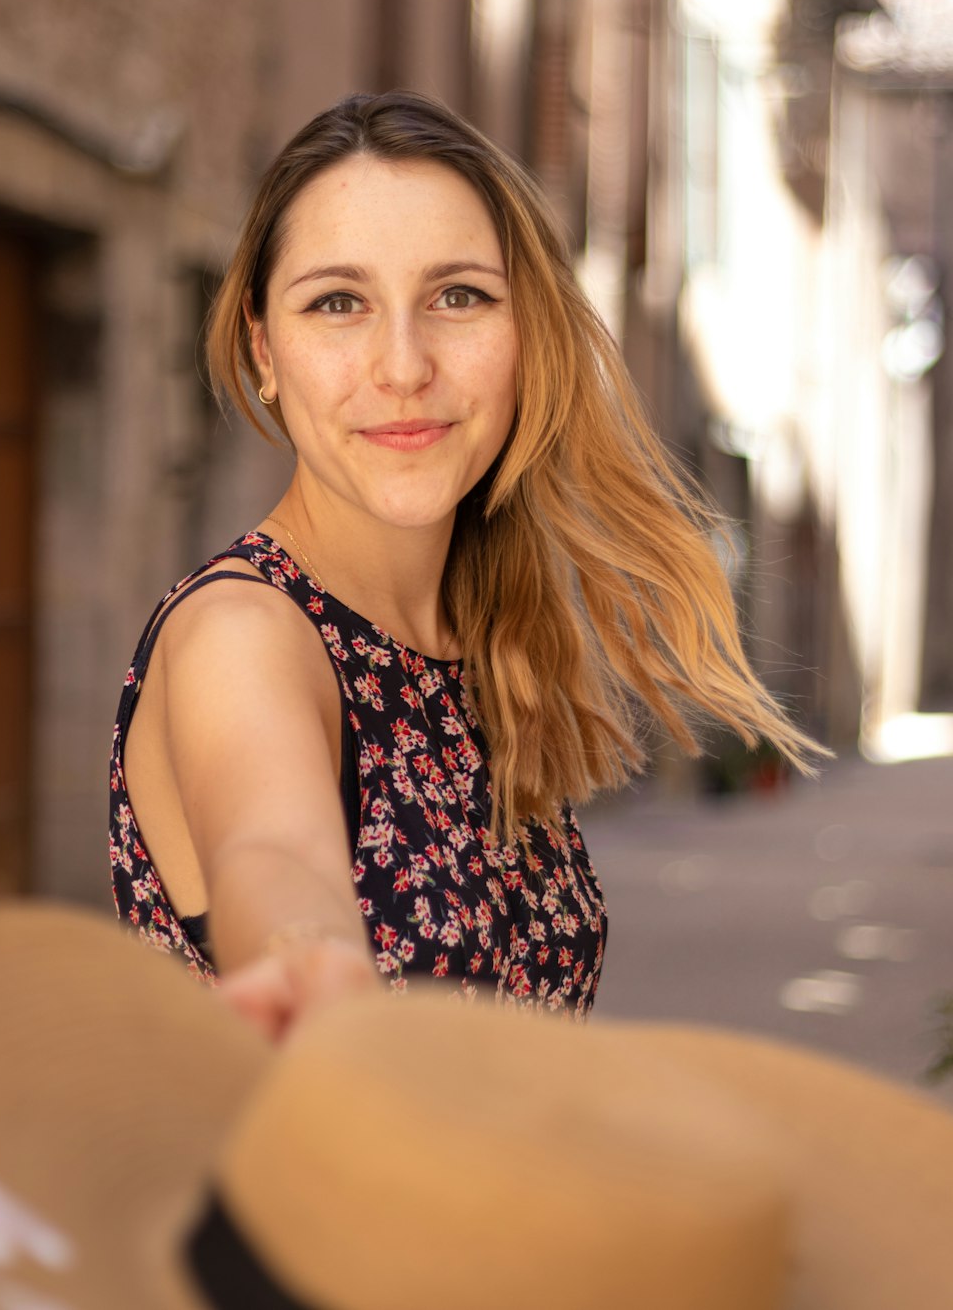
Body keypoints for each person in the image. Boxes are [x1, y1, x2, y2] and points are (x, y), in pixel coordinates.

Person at [109, 90, 818, 1040]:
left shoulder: (473, 642)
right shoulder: (244, 634)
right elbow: (271, 853)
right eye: (338, 302)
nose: (403, 365)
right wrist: (306, 955)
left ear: (527, 336)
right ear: (262, 349)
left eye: (458, 297)